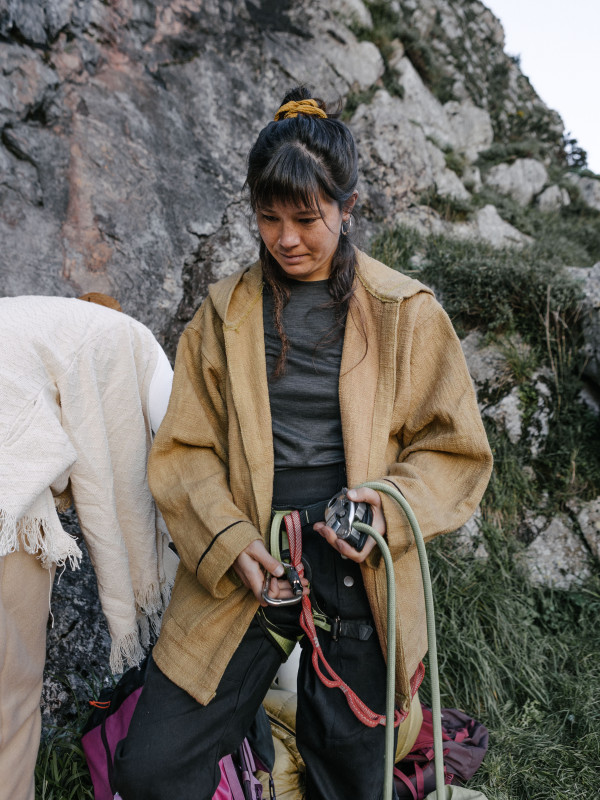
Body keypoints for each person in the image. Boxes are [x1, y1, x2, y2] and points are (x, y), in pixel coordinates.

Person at [113, 86, 493, 800]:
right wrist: (229, 543)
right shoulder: (222, 314)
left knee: (351, 779)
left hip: (361, 579)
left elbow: (453, 449)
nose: (286, 238)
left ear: (348, 209)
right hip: (247, 574)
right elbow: (185, 451)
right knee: (152, 769)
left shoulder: (404, 313)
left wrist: (384, 507)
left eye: (307, 218)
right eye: (269, 218)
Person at [0, 293, 177, 800]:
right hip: (9, 499)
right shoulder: (132, 348)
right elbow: (159, 468)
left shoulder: (32, 322)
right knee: (8, 707)